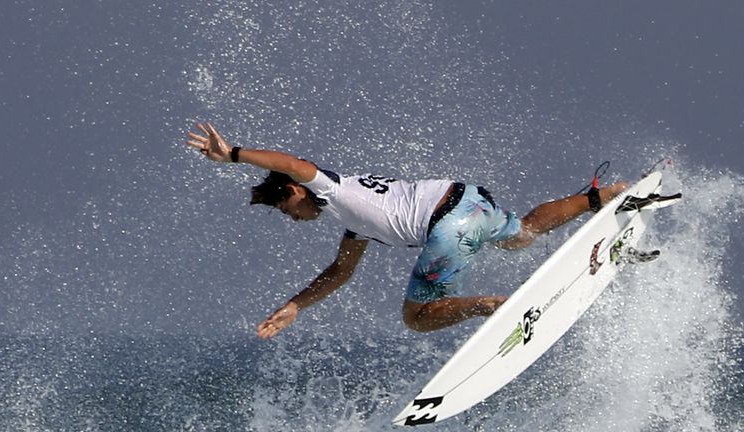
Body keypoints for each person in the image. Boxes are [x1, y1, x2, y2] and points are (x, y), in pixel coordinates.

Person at [187, 122, 629, 340]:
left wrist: (235, 155)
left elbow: (295, 164)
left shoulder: (327, 186)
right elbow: (341, 272)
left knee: (416, 319)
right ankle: (604, 195)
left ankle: (495, 305)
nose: (294, 218)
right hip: (467, 199)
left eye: (288, 209)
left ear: (293, 191)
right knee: (523, 234)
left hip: (444, 227)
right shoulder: (355, 214)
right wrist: (295, 306)